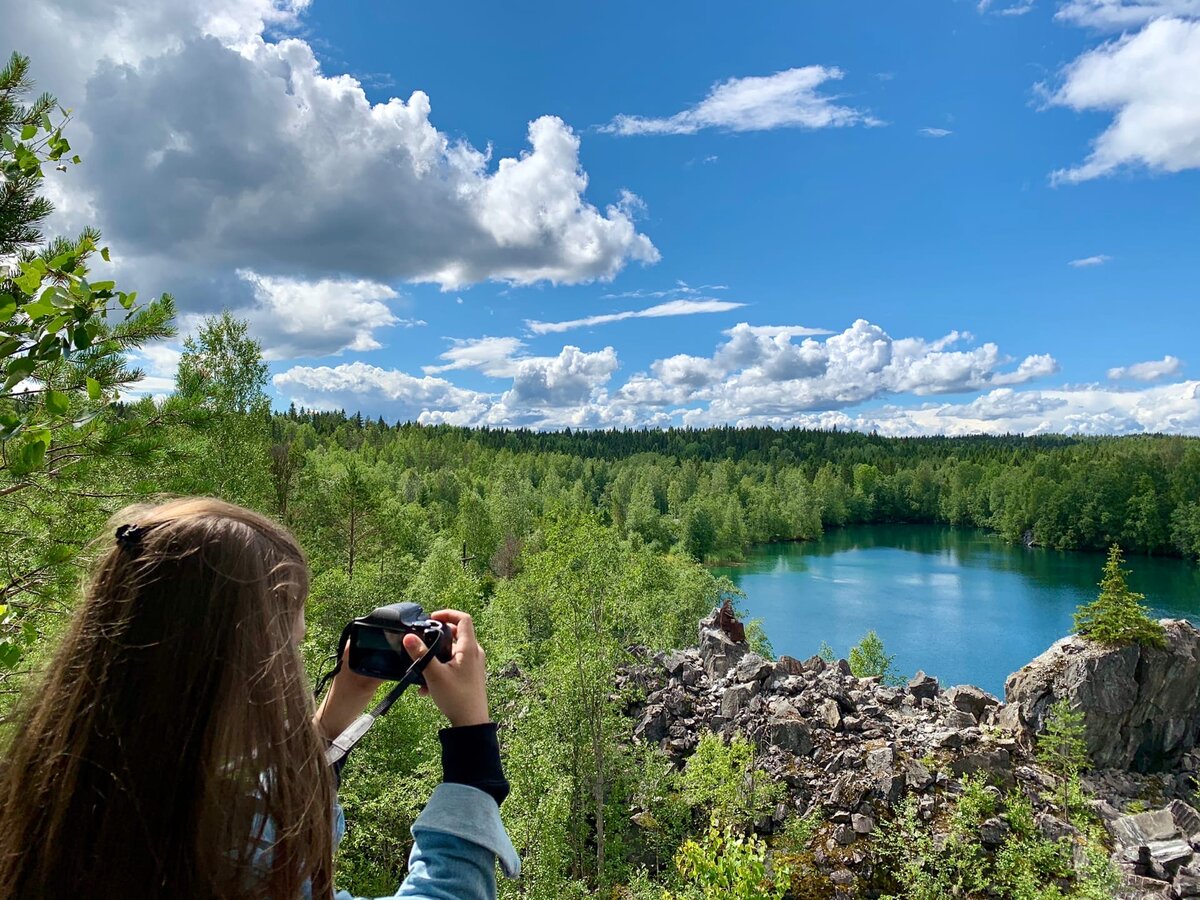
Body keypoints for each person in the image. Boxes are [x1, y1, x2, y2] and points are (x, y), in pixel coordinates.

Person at [0, 498, 519, 898]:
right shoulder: (229, 859)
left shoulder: (57, 805)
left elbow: (264, 808)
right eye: (287, 651)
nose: (290, 671)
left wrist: (334, 715)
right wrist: (473, 754)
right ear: (231, 680)